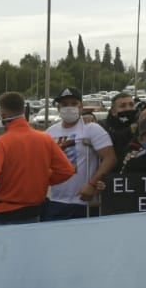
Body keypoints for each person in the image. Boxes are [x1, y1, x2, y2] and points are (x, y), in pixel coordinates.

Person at [0, 91, 75, 225]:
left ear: (2, 115)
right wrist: (43, 178)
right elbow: (67, 170)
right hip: (34, 212)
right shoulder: (45, 139)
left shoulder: (2, 142)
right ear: (23, 110)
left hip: (6, 214)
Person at [44, 87, 116, 220]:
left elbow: (109, 158)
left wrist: (92, 184)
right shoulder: (50, 132)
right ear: (58, 108)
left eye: (73, 103)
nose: (69, 107)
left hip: (84, 201)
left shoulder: (92, 129)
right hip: (55, 201)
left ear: (81, 106)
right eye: (64, 104)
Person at [100, 93, 136, 164]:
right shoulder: (103, 127)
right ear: (113, 111)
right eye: (123, 106)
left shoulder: (141, 123)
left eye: (131, 105)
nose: (128, 109)